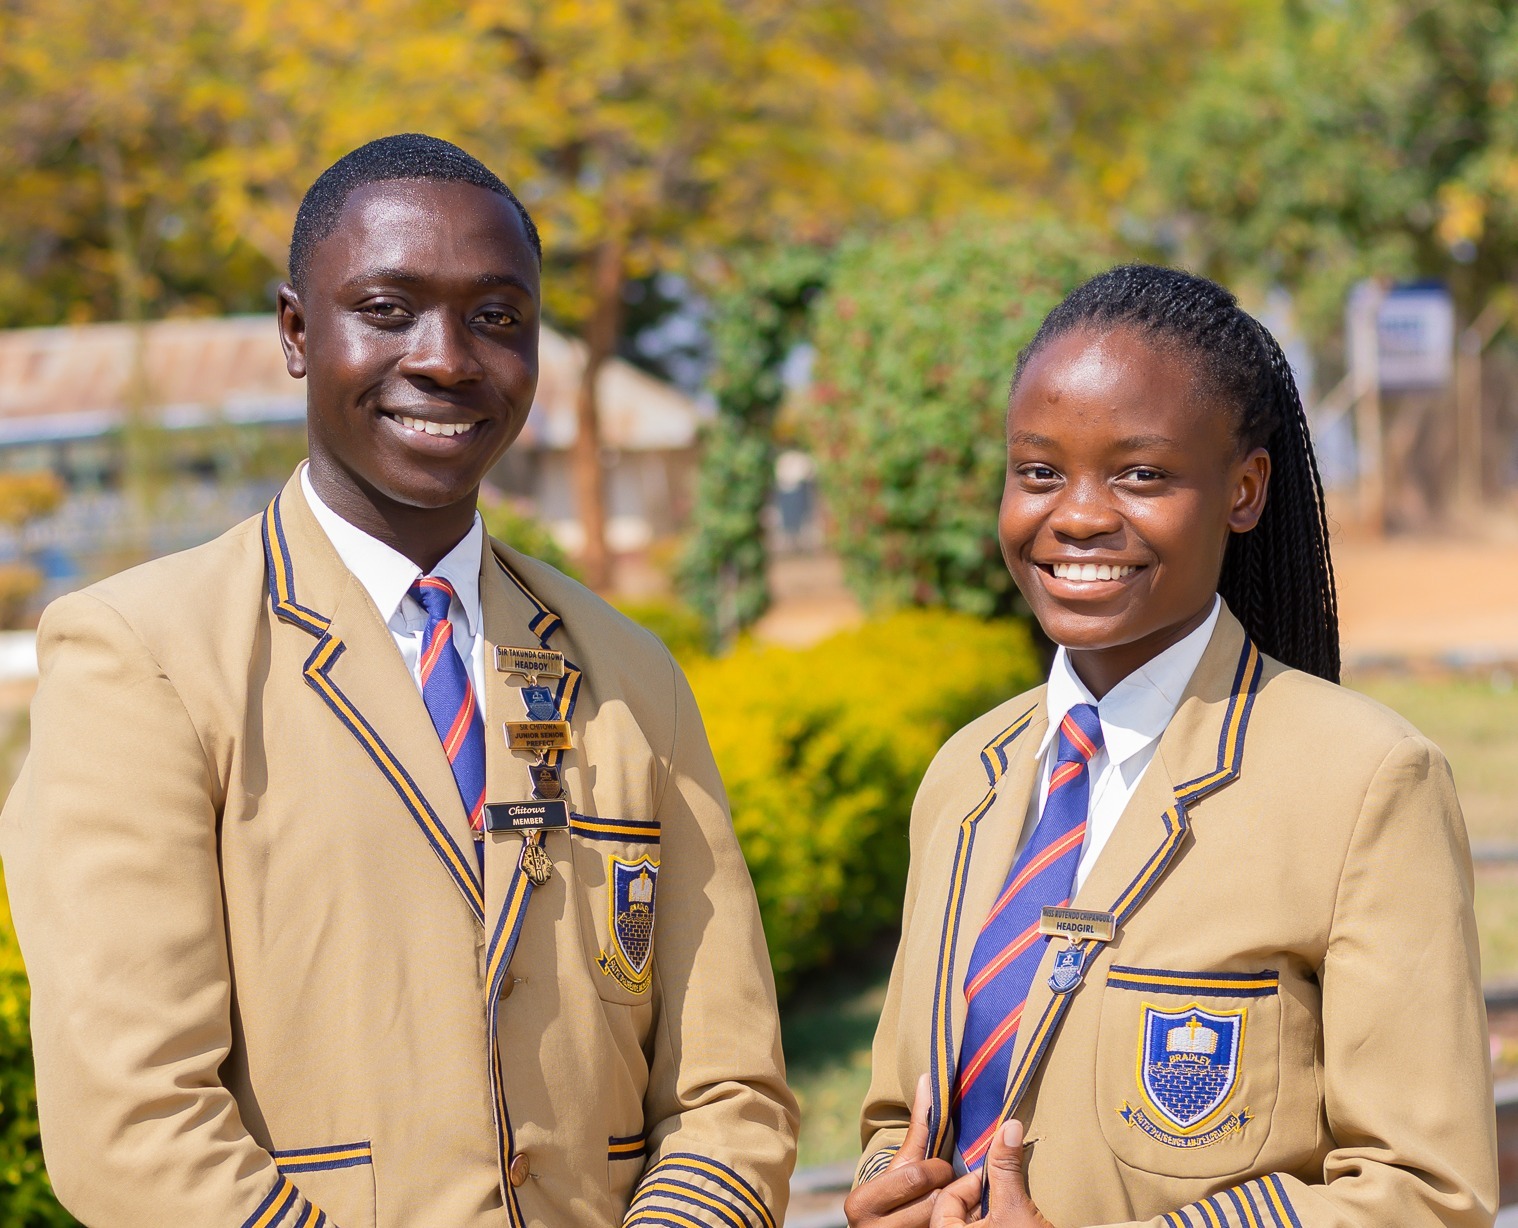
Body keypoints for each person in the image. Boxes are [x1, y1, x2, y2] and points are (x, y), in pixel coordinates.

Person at [1, 133, 796, 1228]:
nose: (449, 358)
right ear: (296, 330)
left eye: (497, 316)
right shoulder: (142, 658)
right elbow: (135, 1124)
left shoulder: (628, 672)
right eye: (388, 308)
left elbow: (728, 1091)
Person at [843, 265, 1497, 1227]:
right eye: (1039, 471)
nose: (1076, 515)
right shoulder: (966, 777)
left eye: (1140, 474)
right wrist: (887, 1195)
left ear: (1243, 488)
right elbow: (903, 1114)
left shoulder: (1365, 783)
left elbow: (1427, 1193)